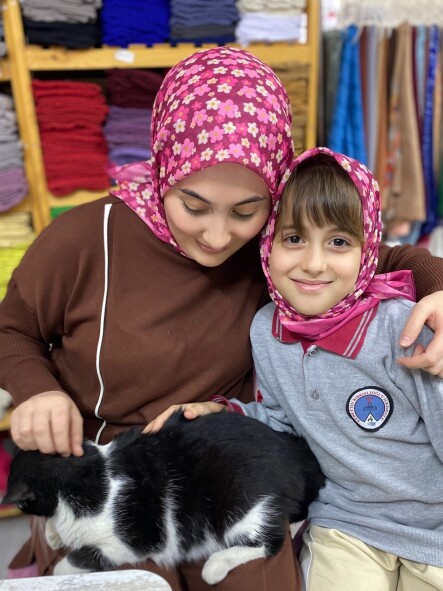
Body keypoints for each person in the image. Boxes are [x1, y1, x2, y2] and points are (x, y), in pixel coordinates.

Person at [0, 47, 443, 589]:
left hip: (225, 469)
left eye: (245, 211)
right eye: (193, 205)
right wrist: (36, 390)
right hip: (105, 477)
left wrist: (440, 289)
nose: (217, 236)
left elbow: (381, 257)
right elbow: (12, 328)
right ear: (164, 168)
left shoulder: (278, 246)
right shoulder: (88, 239)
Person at [157, 147, 443, 591]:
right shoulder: (266, 331)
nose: (312, 263)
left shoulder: (401, 327)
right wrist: (224, 414)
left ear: (367, 249)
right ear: (267, 243)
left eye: (339, 242)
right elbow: (282, 422)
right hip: (347, 526)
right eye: (293, 239)